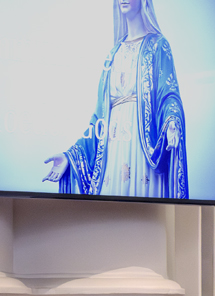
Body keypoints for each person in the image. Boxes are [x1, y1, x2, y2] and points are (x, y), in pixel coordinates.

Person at [44, 0, 186, 199]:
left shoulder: (157, 45)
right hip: (113, 148)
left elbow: (168, 92)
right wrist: (70, 156)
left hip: (142, 146)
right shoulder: (113, 54)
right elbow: (98, 120)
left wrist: (172, 120)